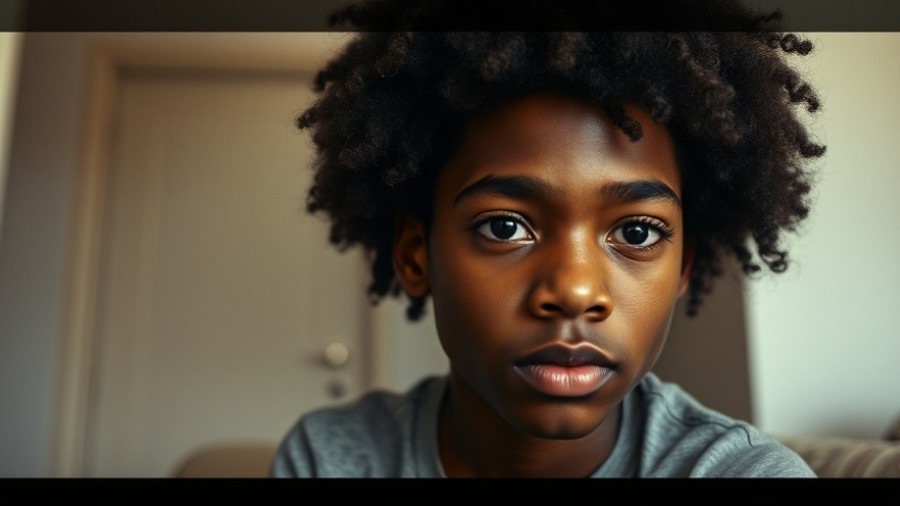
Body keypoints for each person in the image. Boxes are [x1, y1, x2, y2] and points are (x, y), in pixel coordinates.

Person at [271, 0, 825, 477]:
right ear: (416, 257)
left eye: (636, 232)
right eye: (505, 227)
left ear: (683, 268)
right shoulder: (327, 457)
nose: (576, 290)